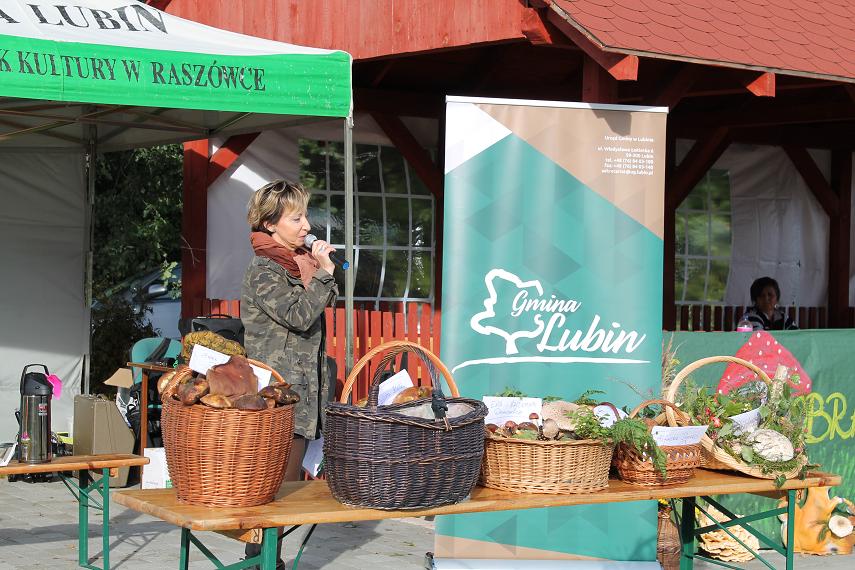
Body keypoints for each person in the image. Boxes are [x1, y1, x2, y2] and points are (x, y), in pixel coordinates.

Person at [241, 179, 338, 568]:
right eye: (295, 218)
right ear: (269, 224)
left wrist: (322, 271)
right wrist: (325, 274)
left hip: (303, 394)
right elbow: (299, 315)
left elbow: (314, 306)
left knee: (287, 488)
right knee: (274, 489)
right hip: (277, 394)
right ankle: (261, 561)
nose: (305, 226)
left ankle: (266, 561)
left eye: (305, 217)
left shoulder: (298, 265)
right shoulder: (264, 269)